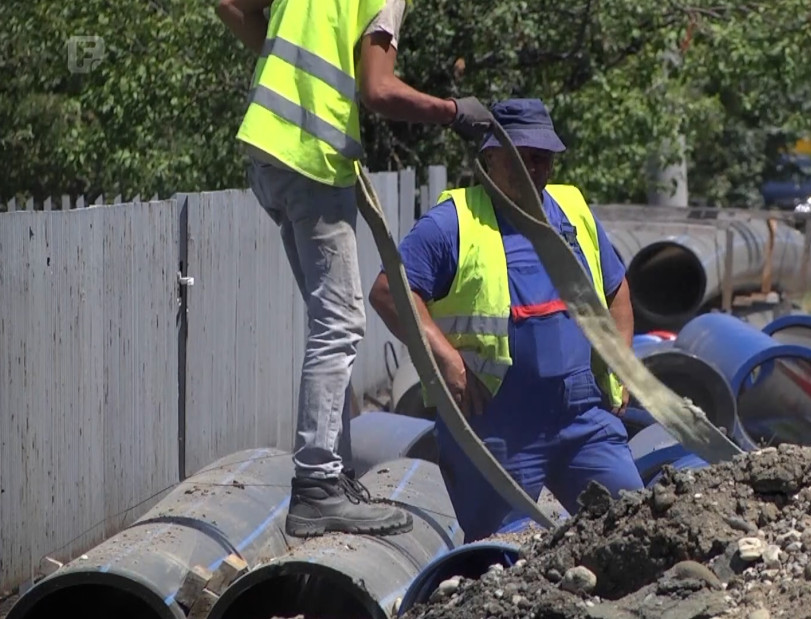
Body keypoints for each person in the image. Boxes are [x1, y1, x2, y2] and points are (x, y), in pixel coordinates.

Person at [216, 0, 495, 538]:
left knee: (329, 324)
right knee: (340, 323)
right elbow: (377, 89)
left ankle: (333, 476)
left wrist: (284, 64)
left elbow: (229, 6)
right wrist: (454, 112)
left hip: (268, 150)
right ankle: (318, 487)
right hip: (312, 157)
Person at [368, 98, 645, 541]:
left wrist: (623, 364)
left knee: (633, 526)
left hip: (582, 416)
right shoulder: (453, 222)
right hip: (496, 423)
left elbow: (618, 290)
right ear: (491, 158)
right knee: (497, 562)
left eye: (543, 160)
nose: (536, 170)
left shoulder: (572, 210)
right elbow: (389, 292)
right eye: (523, 159)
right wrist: (448, 360)